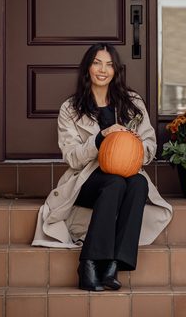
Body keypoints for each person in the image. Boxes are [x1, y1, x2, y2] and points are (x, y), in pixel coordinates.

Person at [31, 43, 173, 291]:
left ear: (116, 70)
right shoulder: (71, 108)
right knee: (114, 182)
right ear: (87, 68)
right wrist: (101, 137)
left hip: (126, 172)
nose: (103, 69)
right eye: (97, 62)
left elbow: (150, 145)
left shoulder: (132, 103)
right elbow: (73, 157)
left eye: (109, 64)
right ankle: (88, 263)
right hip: (85, 180)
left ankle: (113, 265)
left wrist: (136, 145)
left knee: (138, 183)